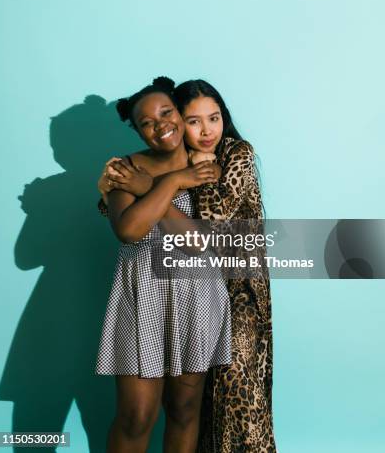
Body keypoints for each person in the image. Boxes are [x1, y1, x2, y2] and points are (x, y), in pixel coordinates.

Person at [100, 78, 277, 452]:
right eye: (147, 121)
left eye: (167, 112)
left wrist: (149, 187)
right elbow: (130, 229)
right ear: (137, 129)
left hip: (199, 294)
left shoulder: (209, 166)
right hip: (141, 293)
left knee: (183, 409)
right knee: (137, 415)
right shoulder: (126, 167)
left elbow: (199, 243)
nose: (160, 124)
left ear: (178, 115)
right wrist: (174, 181)